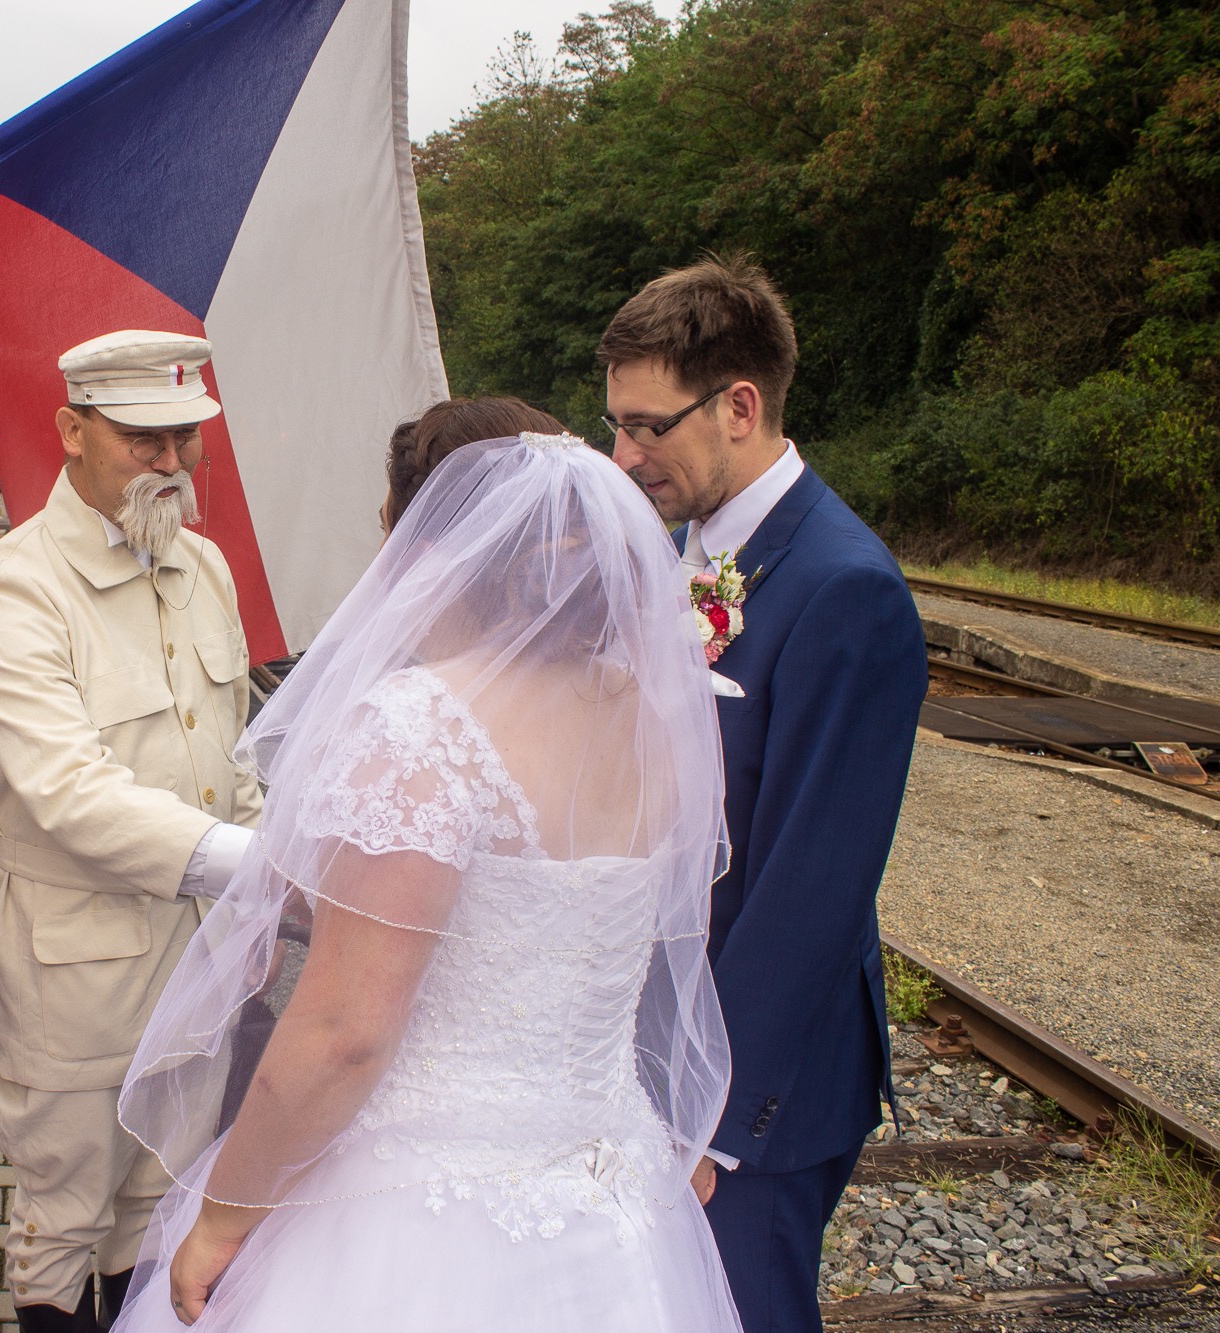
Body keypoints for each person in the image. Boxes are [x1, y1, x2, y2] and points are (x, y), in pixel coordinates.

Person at [113, 419, 739, 1333]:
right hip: (616, 1194)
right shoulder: (653, 712)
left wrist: (225, 1212)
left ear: (444, 551)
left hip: (420, 1209)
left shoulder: (422, 727)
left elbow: (345, 1033)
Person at [599, 257, 928, 1333]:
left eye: (647, 427)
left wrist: (713, 1119)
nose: (624, 456)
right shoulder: (688, 546)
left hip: (755, 1085)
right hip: (667, 1045)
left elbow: (813, 882)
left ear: (738, 407)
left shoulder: (846, 588)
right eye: (615, 425)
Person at [0, 330, 262, 1332]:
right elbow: (67, 790)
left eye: (186, 437)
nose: (171, 461)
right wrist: (255, 866)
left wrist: (266, 883)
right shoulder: (17, 586)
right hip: (75, 971)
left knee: (160, 1203)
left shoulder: (203, 564)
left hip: (198, 958)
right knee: (66, 1216)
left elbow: (231, 755)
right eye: (143, 439)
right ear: (71, 430)